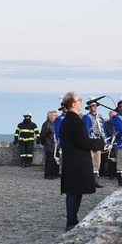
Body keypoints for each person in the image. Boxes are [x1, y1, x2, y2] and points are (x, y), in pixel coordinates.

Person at [58, 92, 104, 231]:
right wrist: (100, 144)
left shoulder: (68, 120)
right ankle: (71, 221)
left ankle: (72, 219)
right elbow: (83, 141)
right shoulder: (75, 121)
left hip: (72, 160)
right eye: (79, 100)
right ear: (73, 104)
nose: (81, 102)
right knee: (74, 193)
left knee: (74, 192)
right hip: (76, 162)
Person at [82, 100, 106, 187]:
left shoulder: (100, 117)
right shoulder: (86, 117)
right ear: (89, 108)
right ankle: (88, 181)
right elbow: (86, 130)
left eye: (96, 106)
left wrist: (106, 141)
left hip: (98, 141)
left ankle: (95, 181)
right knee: (89, 161)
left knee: (97, 162)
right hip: (91, 141)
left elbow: (103, 130)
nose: (95, 108)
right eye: (93, 106)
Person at [39, 111, 59, 180]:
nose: (56, 116)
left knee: (55, 161)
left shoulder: (54, 124)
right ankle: (48, 174)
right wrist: (45, 143)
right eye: (54, 115)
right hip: (49, 145)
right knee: (49, 161)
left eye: (56, 115)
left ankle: (54, 173)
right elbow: (43, 135)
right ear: (50, 116)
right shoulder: (47, 124)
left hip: (55, 145)